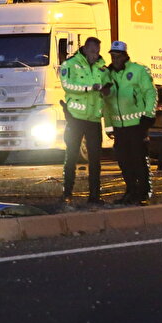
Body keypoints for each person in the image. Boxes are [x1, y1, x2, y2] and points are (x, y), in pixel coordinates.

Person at [102, 40, 157, 205]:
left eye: (118, 56)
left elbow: (150, 93)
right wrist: (109, 125)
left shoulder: (138, 70)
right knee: (124, 161)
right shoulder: (108, 74)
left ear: (125, 56)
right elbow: (107, 101)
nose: (115, 59)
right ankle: (131, 191)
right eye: (112, 55)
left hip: (137, 125)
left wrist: (149, 115)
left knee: (139, 160)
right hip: (119, 127)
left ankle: (144, 192)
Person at [59, 36, 110, 207]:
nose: (95, 55)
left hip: (94, 118)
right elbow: (67, 86)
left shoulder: (102, 68)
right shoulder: (70, 64)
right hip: (76, 118)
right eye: (93, 51)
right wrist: (89, 88)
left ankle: (94, 195)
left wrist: (106, 90)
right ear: (85, 49)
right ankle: (67, 193)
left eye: (97, 52)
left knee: (95, 158)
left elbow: (108, 86)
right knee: (72, 155)